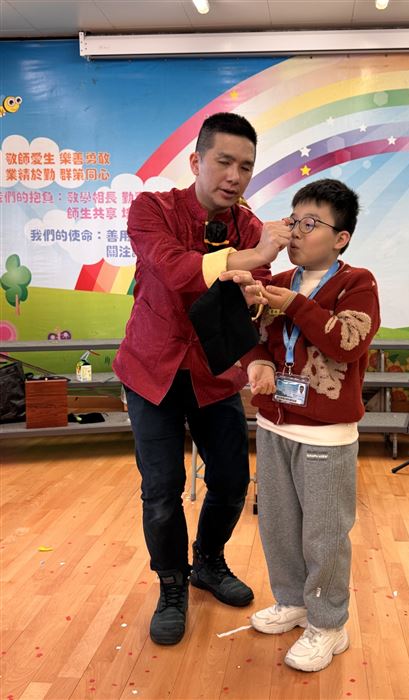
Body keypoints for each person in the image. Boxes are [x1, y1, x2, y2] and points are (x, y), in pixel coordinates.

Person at [113, 112, 292, 646]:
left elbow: (257, 298)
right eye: (224, 161)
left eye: (246, 167)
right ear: (196, 161)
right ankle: (172, 584)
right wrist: (252, 258)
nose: (234, 176)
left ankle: (208, 562)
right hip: (152, 370)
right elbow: (173, 269)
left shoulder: (250, 225)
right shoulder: (152, 209)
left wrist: (257, 296)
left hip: (215, 373)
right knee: (161, 490)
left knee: (233, 481)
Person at [239, 178, 380, 672]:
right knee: (278, 526)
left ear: (341, 238)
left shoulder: (358, 283)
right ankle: (294, 602)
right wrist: (258, 362)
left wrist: (292, 304)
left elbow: (346, 342)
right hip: (274, 423)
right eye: (293, 220)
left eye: (310, 223)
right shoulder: (280, 278)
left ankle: (328, 624)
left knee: (324, 535)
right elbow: (257, 337)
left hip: (326, 435)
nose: (296, 232)